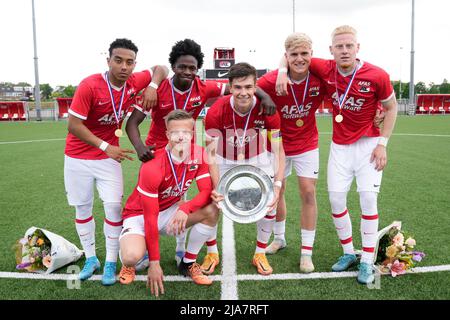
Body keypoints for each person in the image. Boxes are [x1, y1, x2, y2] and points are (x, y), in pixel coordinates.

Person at [125, 39, 276, 275]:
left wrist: (264, 95)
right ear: (174, 66)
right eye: (182, 67)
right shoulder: (159, 87)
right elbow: (133, 120)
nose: (187, 71)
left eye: (192, 68)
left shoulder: (203, 87)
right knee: (154, 199)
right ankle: (142, 245)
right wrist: (139, 146)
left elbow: (240, 86)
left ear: (197, 70)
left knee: (185, 201)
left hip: (188, 151)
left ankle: (181, 251)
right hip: (158, 152)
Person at [277, 25, 398, 284]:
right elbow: (294, 55)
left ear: (357, 48)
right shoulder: (325, 68)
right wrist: (280, 71)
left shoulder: (377, 75)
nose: (344, 51)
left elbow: (392, 106)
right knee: (336, 202)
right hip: (340, 147)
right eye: (339, 47)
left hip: (369, 146)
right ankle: (348, 252)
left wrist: (382, 143)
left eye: (349, 46)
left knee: (367, 200)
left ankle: (366, 260)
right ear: (331, 51)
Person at [64, 38, 168, 286]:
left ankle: (111, 261)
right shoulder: (90, 85)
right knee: (83, 208)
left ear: (134, 64)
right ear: (108, 60)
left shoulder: (135, 80)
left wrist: (153, 85)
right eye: (118, 60)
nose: (124, 66)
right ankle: (91, 258)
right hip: (79, 156)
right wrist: (104, 145)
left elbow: (160, 69)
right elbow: (73, 125)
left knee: (112, 207)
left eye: (130, 62)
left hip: (108, 158)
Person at [118, 110, 218, 297]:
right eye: (175, 132)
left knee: (212, 209)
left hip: (168, 211)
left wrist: (185, 208)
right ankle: (129, 259)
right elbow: (150, 217)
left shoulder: (199, 154)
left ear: (192, 134)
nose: (181, 137)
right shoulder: (153, 165)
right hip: (140, 215)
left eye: (186, 132)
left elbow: (205, 191)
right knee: (132, 257)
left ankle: (188, 263)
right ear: (167, 135)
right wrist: (155, 263)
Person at [205, 62, 285, 276]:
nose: (243, 93)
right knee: (210, 201)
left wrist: (277, 185)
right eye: (238, 87)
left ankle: (260, 252)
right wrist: (215, 187)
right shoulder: (216, 111)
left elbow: (278, 151)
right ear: (230, 87)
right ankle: (211, 252)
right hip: (224, 157)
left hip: (256, 157)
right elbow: (210, 154)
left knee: (270, 204)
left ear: (255, 86)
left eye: (248, 87)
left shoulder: (267, 110)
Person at [256, 33, 325, 273]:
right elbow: (250, 87)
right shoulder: (271, 80)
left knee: (308, 192)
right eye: (293, 54)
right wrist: (277, 78)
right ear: (286, 56)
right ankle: (280, 238)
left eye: (304, 53)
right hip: (277, 144)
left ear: (311, 55)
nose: (299, 58)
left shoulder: (320, 78)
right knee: (278, 190)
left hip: (307, 143)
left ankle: (306, 253)